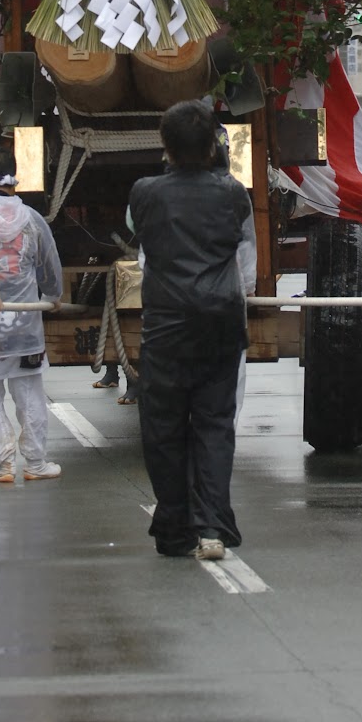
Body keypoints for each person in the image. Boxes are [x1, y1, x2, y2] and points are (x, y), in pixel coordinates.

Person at [130, 101, 254, 561]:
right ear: (211, 147)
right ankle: (214, 525)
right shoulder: (233, 193)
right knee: (214, 424)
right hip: (220, 318)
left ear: (165, 146)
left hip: (166, 322)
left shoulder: (144, 192)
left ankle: (174, 525)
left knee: (163, 428)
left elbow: (141, 234)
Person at [0, 146, 63, 482]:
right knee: (29, 392)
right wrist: (53, 296)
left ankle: (3, 464)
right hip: (26, 325)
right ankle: (37, 463)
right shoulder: (32, 219)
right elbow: (49, 267)